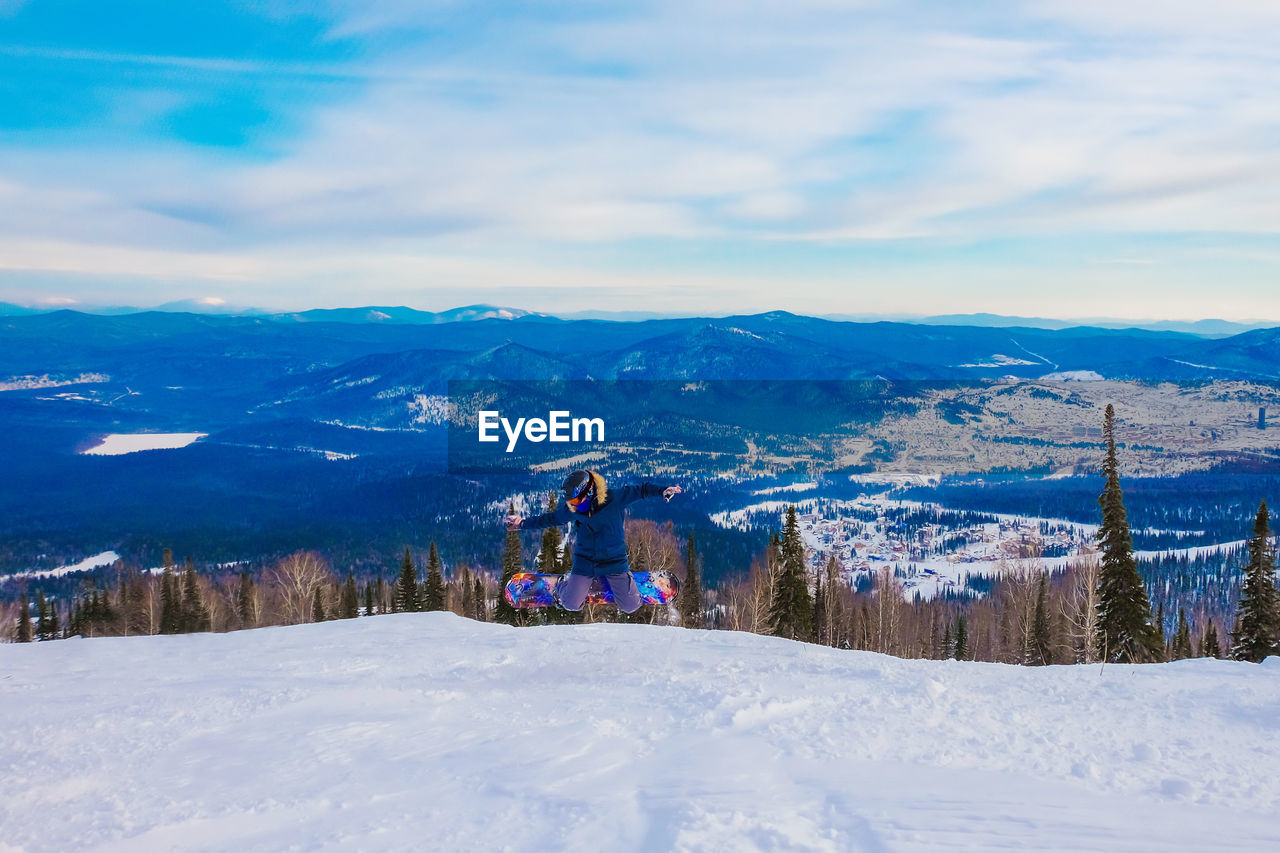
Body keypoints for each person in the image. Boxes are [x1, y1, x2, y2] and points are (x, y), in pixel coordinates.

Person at [506, 470, 682, 613]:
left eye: (576, 499)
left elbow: (641, 490)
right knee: (571, 604)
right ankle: (564, 585)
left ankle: (621, 585)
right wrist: (522, 524)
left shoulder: (614, 498)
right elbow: (552, 518)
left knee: (631, 606)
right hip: (586, 562)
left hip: (615, 561)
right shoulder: (574, 508)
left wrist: (662, 490)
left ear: (588, 491)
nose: (573, 504)